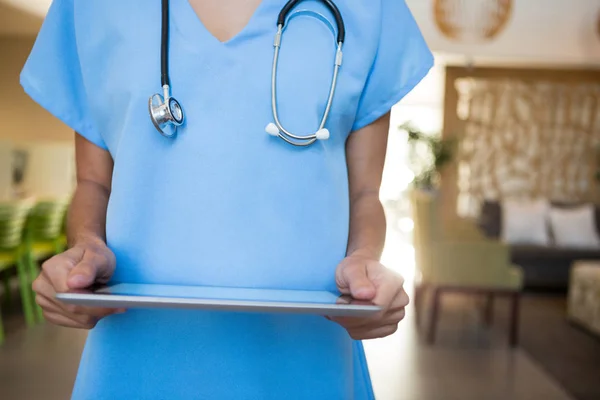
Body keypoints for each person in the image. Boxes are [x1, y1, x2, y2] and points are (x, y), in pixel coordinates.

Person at [22, 0, 433, 398]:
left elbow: (364, 192)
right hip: (138, 357)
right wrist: (85, 247)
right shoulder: (89, 6)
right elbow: (95, 182)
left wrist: (364, 261)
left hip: (306, 357)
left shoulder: (370, 7)